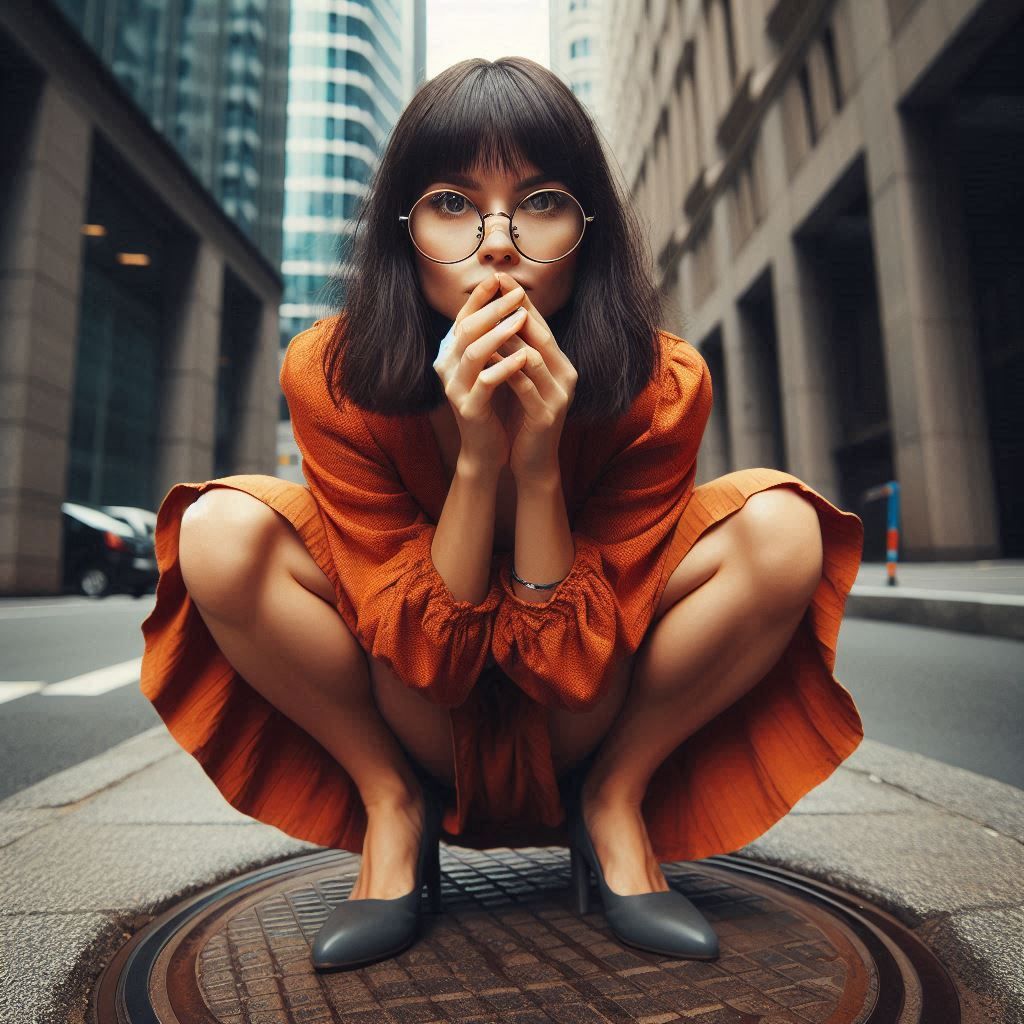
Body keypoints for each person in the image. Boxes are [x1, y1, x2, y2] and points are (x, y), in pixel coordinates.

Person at [139, 57, 865, 973]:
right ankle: (391, 812)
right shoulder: (328, 373)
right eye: (452, 202)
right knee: (220, 532)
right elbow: (427, 663)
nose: (496, 242)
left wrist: (539, 466)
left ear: (587, 228)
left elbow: (571, 667)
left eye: (540, 202)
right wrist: (479, 460)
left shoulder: (663, 382)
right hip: (412, 708)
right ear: (403, 230)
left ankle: (614, 804)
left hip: (586, 709)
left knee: (782, 528)